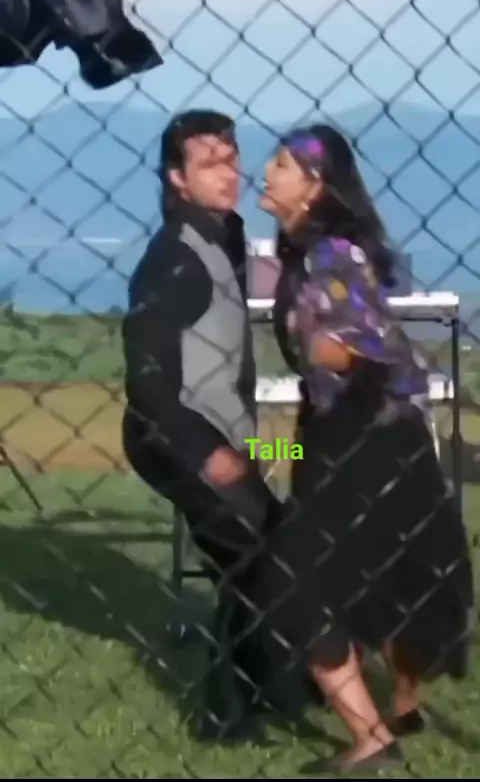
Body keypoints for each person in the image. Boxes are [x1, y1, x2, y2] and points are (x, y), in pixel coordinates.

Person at [253, 124, 474, 773]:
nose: (267, 173)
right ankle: (404, 705)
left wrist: (329, 349)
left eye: (282, 164)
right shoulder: (317, 252)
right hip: (368, 435)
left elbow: (357, 347)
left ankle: (373, 737)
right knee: (398, 571)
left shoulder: (329, 255)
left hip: (355, 441)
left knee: (298, 585)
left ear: (315, 185)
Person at [121, 109, 278, 739]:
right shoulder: (175, 258)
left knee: (262, 553)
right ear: (177, 178)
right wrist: (209, 454)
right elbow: (148, 382)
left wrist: (271, 446)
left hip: (231, 435)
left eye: (232, 159)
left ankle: (266, 693)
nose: (229, 174)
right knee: (256, 554)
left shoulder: (224, 238)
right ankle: (227, 713)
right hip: (178, 439)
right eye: (210, 163)